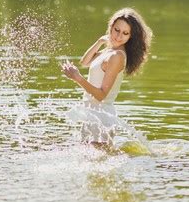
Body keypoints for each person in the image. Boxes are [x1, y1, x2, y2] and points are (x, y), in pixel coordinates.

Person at [61, 8, 152, 147]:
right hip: (91, 113)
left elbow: (101, 95)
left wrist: (77, 78)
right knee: (92, 163)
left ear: (130, 37)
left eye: (125, 33)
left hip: (102, 117)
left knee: (100, 162)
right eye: (116, 30)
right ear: (111, 27)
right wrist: (100, 41)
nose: (118, 36)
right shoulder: (109, 51)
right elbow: (85, 62)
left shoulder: (117, 56)